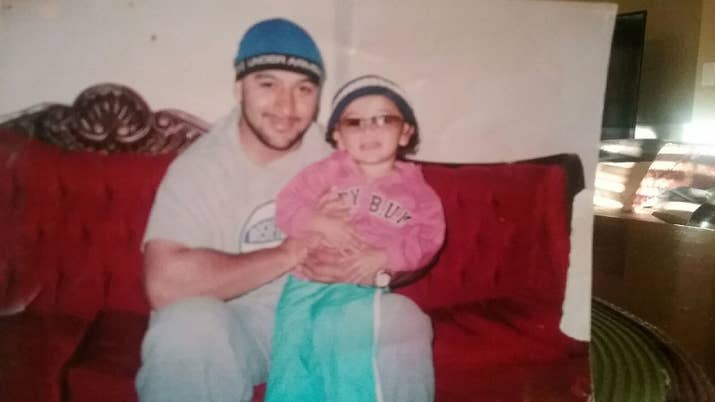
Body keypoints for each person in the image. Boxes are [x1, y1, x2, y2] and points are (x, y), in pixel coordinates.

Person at [136, 18, 435, 402]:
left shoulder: (341, 154)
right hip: (236, 324)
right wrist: (288, 252)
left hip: (323, 314)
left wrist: (379, 270)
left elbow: (417, 232)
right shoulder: (200, 168)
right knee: (184, 326)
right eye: (267, 84)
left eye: (303, 89)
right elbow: (163, 284)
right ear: (238, 87)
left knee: (399, 320)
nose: (286, 107)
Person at [266, 75, 446, 402]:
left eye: (383, 119)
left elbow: (428, 238)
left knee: (350, 353)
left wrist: (385, 256)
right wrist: (318, 221)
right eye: (355, 122)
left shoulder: (418, 191)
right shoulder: (326, 172)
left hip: (361, 286)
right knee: (292, 359)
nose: (369, 130)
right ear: (338, 136)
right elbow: (286, 207)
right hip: (304, 284)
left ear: (405, 131)